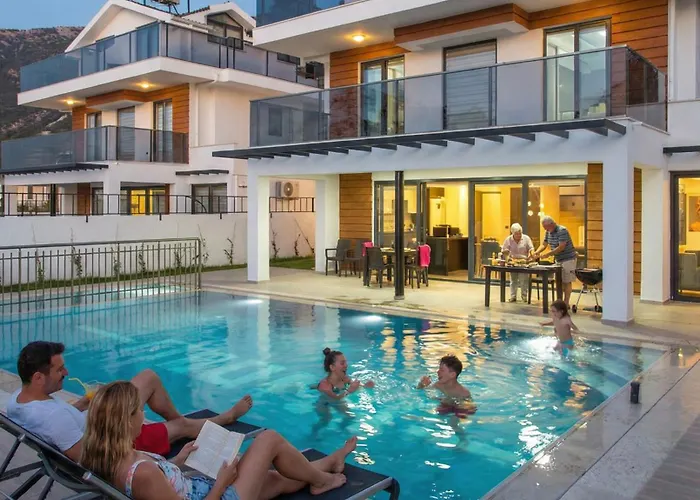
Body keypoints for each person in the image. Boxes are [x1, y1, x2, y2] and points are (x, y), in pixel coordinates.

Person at [80, 381, 352, 500]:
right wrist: (222, 482)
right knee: (269, 439)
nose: (143, 414)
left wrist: (178, 461)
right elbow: (151, 482)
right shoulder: (143, 474)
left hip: (200, 488)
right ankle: (322, 481)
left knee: (276, 480)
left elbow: (158, 488)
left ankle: (329, 463)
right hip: (217, 495)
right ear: (126, 422)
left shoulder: (110, 456)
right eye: (139, 411)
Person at [7, 341, 253, 462]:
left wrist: (84, 405)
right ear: (38, 377)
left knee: (148, 377)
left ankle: (178, 425)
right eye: (59, 369)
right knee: (180, 426)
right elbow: (93, 460)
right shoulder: (54, 419)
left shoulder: (18, 401)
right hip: (116, 437)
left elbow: (61, 426)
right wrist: (167, 463)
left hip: (102, 421)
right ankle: (221, 419)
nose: (66, 372)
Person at [529, 216, 578, 306]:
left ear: (552, 224)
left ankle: (566, 302)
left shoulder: (562, 230)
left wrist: (548, 254)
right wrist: (536, 252)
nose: (545, 229)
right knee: (559, 280)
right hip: (558, 259)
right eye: (544, 227)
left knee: (567, 281)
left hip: (568, 258)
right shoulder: (548, 232)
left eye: (546, 227)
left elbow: (561, 247)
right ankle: (559, 301)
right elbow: (544, 244)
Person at [501, 223, 534, 302]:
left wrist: (531, 255)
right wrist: (507, 258)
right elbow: (504, 251)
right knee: (513, 280)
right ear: (512, 233)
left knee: (523, 280)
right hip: (513, 261)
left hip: (523, 261)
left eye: (520, 233)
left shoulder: (526, 238)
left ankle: (524, 296)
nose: (519, 235)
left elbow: (531, 248)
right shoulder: (508, 239)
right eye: (516, 234)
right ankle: (513, 296)